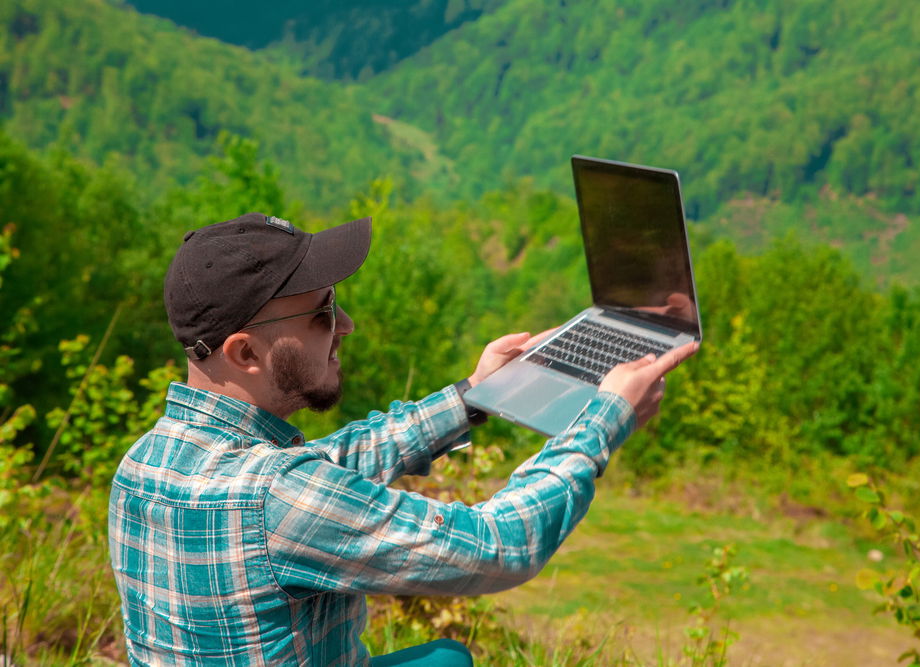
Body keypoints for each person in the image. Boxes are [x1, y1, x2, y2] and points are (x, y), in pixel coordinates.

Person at [108, 212, 699, 666]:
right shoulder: (275, 497)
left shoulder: (143, 465)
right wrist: (601, 422)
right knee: (449, 657)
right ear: (245, 352)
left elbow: (331, 463)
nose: (345, 325)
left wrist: (472, 395)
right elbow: (497, 547)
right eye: (321, 312)